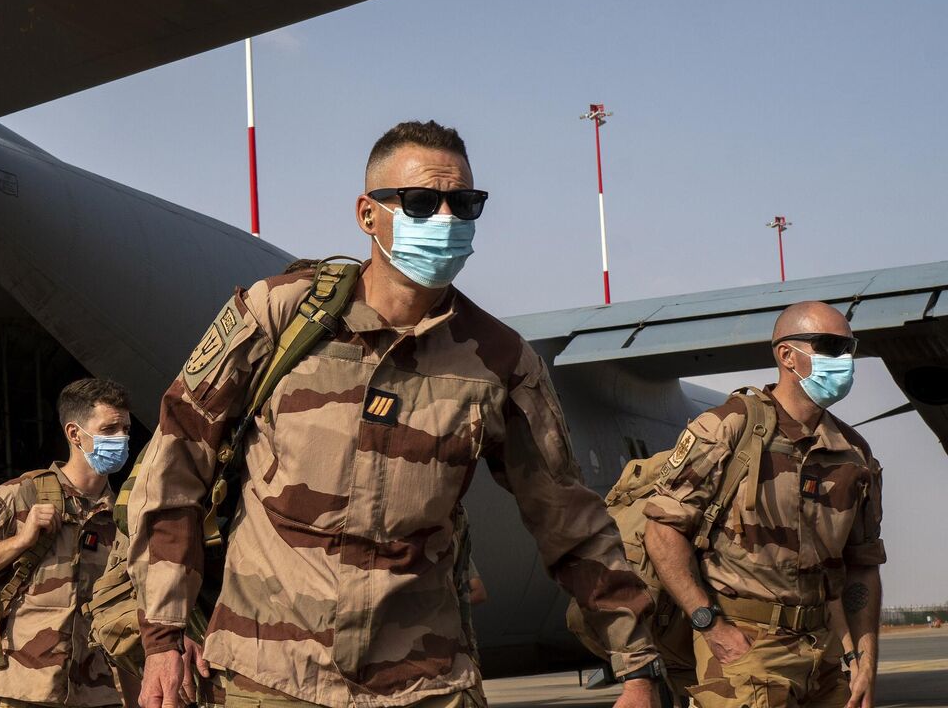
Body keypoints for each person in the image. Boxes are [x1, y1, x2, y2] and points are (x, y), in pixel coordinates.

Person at [125, 120, 662, 708]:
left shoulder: (501, 361)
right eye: (422, 202)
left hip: (425, 682)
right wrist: (162, 638)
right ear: (367, 214)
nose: (446, 220)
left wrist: (636, 664)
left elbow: (568, 518)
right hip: (270, 677)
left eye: (464, 204)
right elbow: (177, 463)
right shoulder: (281, 314)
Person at [642, 301, 884, 707]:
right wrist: (710, 625)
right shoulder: (728, 428)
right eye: (828, 345)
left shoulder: (853, 453)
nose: (843, 360)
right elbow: (662, 530)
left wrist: (865, 660)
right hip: (746, 647)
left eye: (848, 348)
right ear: (787, 355)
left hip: (824, 653)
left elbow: (862, 566)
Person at [0, 378, 133, 708]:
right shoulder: (22, 494)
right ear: (75, 434)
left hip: (99, 692)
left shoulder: (125, 515)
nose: (122, 439)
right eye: (110, 429)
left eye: (126, 429)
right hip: (23, 690)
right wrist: (20, 540)